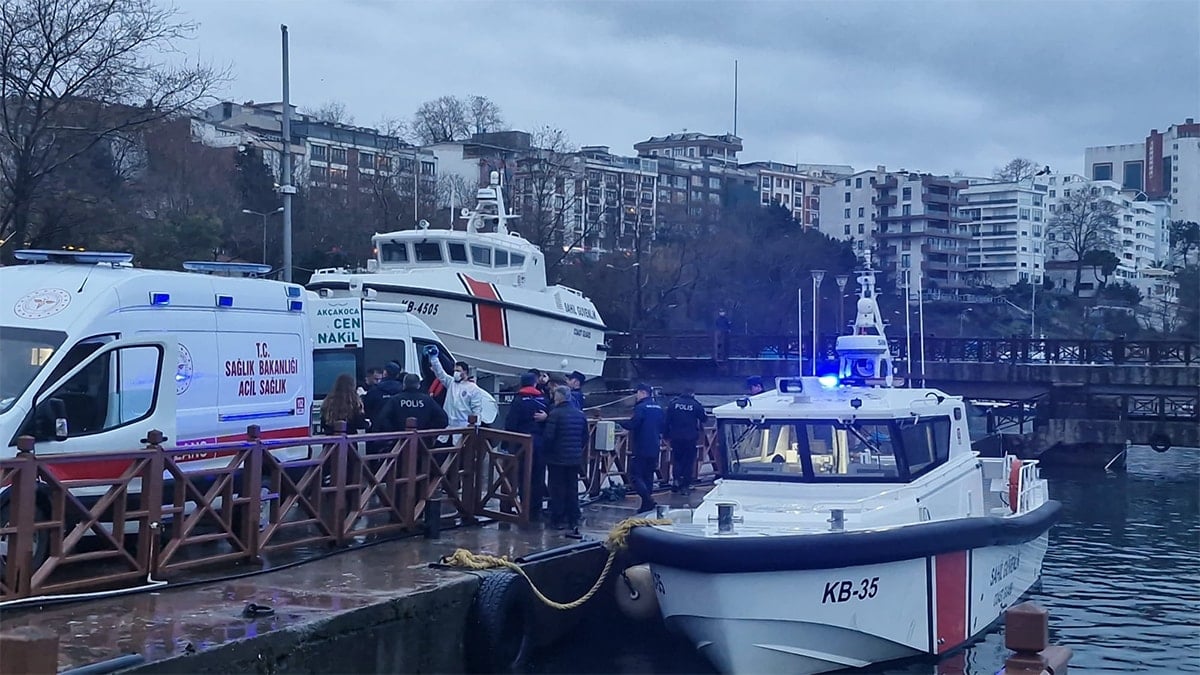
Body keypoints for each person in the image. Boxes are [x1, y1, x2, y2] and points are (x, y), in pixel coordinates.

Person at [542, 385, 587, 538]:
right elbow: (584, 437)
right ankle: (573, 517)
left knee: (557, 489)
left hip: (557, 458)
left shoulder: (555, 414)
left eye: (555, 395)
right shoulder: (580, 414)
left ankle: (557, 519)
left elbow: (549, 437)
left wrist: (546, 452)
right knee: (572, 487)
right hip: (574, 458)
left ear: (559, 397)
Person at [505, 372, 548, 520]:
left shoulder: (518, 400)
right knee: (538, 476)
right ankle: (536, 509)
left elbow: (511, 423)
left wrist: (506, 443)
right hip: (539, 443)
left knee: (523, 476)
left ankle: (524, 507)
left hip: (521, 443)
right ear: (535, 384)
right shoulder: (543, 398)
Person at [621, 383, 665, 513]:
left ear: (643, 393)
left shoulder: (641, 408)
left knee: (635, 476)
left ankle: (648, 500)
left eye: (638, 393)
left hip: (641, 446)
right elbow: (663, 425)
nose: (636, 395)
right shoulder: (658, 407)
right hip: (655, 446)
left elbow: (634, 424)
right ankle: (646, 504)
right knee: (648, 476)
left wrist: (620, 423)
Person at [426, 347, 490, 428]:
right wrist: (434, 359)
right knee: (441, 440)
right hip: (448, 425)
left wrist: (476, 426)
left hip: (463, 426)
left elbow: (476, 409)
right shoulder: (451, 382)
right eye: (455, 371)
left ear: (465, 372)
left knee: (459, 441)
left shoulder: (473, 389)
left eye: (458, 371)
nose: (455, 373)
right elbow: (440, 373)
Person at [665, 387, 707, 494]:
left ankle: (675, 481)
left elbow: (667, 420)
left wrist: (665, 435)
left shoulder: (673, 404)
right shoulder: (695, 404)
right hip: (690, 438)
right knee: (688, 462)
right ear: (692, 394)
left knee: (677, 460)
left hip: (676, 437)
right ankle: (685, 485)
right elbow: (704, 418)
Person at [379, 373, 448, 432]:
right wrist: (426, 430)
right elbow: (443, 420)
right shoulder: (427, 400)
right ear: (418, 385)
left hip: (399, 440)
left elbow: (382, 419)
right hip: (422, 440)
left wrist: (394, 431)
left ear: (404, 385)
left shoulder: (395, 399)